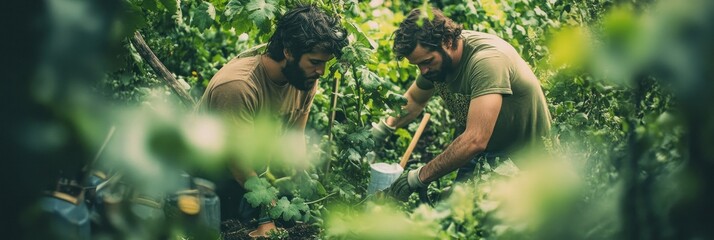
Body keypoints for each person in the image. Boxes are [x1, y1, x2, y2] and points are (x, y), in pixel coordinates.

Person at [195, 5, 347, 237]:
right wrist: (265, 217)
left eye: (324, 63)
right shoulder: (239, 86)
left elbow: (295, 139)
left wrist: (303, 187)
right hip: (209, 177)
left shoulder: (304, 80)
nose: (322, 71)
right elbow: (236, 162)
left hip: (254, 175)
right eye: (315, 62)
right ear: (288, 52)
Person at [374, 8, 551, 201]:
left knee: (472, 222)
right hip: (484, 151)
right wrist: (382, 129)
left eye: (427, 62)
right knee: (448, 213)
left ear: (447, 42)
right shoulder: (438, 63)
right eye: (417, 65)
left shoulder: (486, 62)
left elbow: (475, 139)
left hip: (523, 161)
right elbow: (416, 100)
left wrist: (419, 177)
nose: (423, 71)